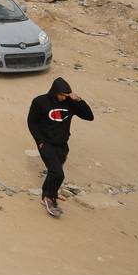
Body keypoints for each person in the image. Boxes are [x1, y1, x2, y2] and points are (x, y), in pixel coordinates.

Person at [27, 77, 94, 218]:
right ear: (54, 92)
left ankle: (45, 195)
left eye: (66, 95)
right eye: (61, 95)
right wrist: (40, 141)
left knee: (53, 172)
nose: (63, 98)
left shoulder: (70, 103)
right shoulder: (40, 102)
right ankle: (51, 199)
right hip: (46, 144)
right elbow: (32, 122)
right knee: (58, 174)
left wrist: (79, 100)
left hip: (62, 145)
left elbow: (89, 116)